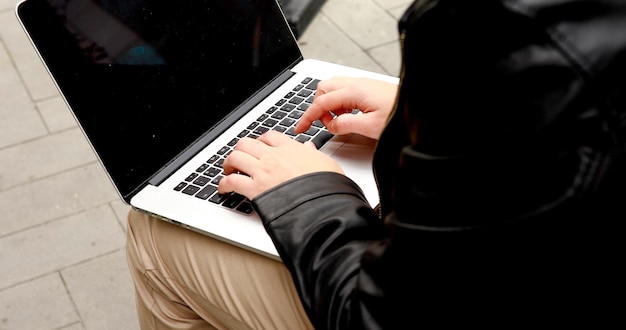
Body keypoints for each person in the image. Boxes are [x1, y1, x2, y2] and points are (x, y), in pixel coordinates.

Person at [126, 0, 626, 328]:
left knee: (155, 236)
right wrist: (428, 114)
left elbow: (375, 317)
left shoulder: (514, 32)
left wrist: (309, 194)